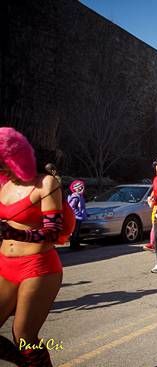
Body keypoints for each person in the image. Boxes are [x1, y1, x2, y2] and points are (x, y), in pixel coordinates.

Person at [0, 128, 65, 366]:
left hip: (38, 267)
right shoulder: (3, 185)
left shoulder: (46, 184)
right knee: (24, 350)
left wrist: (16, 233)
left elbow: (53, 232)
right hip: (5, 265)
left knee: (24, 336)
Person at [67, 179, 87, 250]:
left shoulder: (80, 196)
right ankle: (74, 246)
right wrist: (79, 214)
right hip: (76, 217)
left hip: (79, 217)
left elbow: (82, 207)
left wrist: (84, 214)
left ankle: (76, 245)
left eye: (82, 187)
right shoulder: (75, 197)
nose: (82, 189)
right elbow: (72, 207)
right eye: (80, 187)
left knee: (77, 231)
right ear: (75, 189)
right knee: (75, 231)